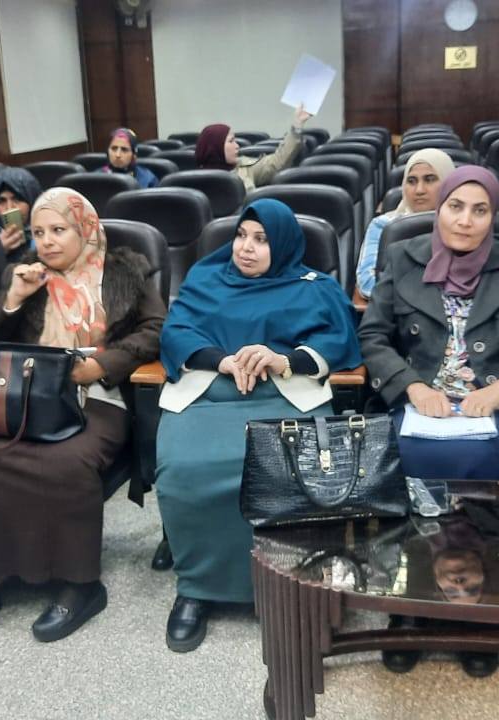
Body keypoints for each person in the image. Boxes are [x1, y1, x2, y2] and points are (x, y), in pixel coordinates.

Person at [358, 165, 499, 678]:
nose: (465, 220)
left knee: (488, 456)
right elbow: (373, 337)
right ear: (439, 209)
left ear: (493, 215)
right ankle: (408, 606)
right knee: (401, 453)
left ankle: (488, 611)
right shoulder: (403, 256)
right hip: (420, 406)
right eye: (455, 207)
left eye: (480, 210)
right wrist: (412, 387)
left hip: (495, 410)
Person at [0, 188, 165, 652]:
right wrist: (14, 299)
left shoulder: (124, 271)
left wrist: (102, 365)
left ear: (85, 228)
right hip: (27, 394)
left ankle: (80, 585)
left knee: (66, 459)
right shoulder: (26, 274)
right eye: (38, 232)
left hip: (98, 396)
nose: (47, 241)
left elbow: (157, 330)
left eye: (59, 230)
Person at [156, 199, 362, 653]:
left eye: (262, 240)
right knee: (185, 471)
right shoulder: (206, 278)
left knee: (288, 474)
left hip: (284, 394)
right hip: (209, 393)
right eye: (241, 236)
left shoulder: (315, 287)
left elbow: (340, 338)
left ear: (284, 245)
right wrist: (222, 360)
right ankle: (196, 589)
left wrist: (282, 359)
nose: (246, 248)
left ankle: (292, 583)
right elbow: (176, 332)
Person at [355, 148, 456, 298]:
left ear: (449, 183)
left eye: (429, 179)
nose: (419, 190)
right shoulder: (383, 225)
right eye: (411, 181)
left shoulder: (463, 225)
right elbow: (368, 284)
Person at [194, 105, 313, 192]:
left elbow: (276, 163)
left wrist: (297, 126)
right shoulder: (194, 180)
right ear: (215, 148)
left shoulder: (244, 167)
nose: (237, 146)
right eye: (231, 141)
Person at [0, 166, 43, 259]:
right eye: (1, 201)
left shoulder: (49, 232)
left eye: (17, 199)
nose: (9, 207)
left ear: (32, 201)